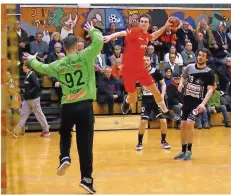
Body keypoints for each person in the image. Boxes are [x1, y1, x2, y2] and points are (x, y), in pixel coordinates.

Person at [23, 22, 103, 194]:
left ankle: (64, 156)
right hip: (84, 106)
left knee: (65, 132)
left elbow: (41, 67)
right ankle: (86, 179)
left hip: (67, 106)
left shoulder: (59, 64)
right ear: (77, 46)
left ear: (64, 48)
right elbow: (99, 42)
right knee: (85, 144)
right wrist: (92, 30)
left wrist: (30, 59)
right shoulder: (86, 56)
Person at [104, 14, 180, 121]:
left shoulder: (146, 36)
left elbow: (154, 35)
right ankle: (127, 101)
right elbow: (123, 33)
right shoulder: (135, 31)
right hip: (128, 70)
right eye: (142, 21)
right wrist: (110, 36)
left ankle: (166, 111)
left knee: (156, 91)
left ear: (149, 25)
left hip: (141, 69)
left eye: (145, 22)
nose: (143, 23)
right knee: (133, 98)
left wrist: (166, 25)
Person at [174, 48, 215, 161]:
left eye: (203, 56)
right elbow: (183, 76)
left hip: (197, 103)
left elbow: (210, 90)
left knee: (189, 122)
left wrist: (203, 104)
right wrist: (181, 84)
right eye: (199, 55)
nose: (200, 57)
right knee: (182, 125)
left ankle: (189, 151)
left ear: (206, 58)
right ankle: (183, 151)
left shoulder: (209, 72)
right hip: (187, 101)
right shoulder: (190, 67)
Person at [136, 55, 171, 151]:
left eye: (147, 60)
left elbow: (163, 84)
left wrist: (162, 95)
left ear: (150, 61)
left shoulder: (156, 72)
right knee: (143, 121)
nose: (146, 61)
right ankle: (139, 143)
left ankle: (163, 141)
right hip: (145, 100)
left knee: (163, 120)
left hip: (156, 99)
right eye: (144, 60)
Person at [11, 62, 50, 138]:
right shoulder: (27, 75)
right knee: (23, 115)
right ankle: (16, 131)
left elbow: (37, 86)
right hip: (27, 100)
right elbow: (28, 88)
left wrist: (29, 93)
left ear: (26, 66)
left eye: (23, 66)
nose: (22, 67)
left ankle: (46, 131)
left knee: (39, 114)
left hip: (34, 99)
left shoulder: (32, 74)